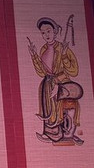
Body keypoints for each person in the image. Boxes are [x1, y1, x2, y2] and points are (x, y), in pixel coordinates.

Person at [28, 17, 83, 145]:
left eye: (48, 31)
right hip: (48, 83)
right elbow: (41, 72)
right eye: (43, 32)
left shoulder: (63, 48)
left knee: (60, 101)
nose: (46, 35)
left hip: (63, 84)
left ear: (55, 31)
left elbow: (73, 70)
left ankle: (65, 133)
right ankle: (51, 133)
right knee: (47, 102)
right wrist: (34, 55)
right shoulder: (43, 49)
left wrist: (63, 55)